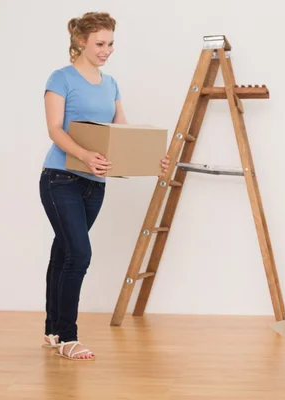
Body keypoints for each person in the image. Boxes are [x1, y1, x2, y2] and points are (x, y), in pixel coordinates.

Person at [39, 11, 170, 361]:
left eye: (111, 43)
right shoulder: (61, 78)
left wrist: (152, 160)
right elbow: (55, 129)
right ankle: (68, 336)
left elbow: (121, 135)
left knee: (64, 253)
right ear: (81, 42)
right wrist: (85, 156)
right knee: (79, 254)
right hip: (60, 179)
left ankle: (52, 331)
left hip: (94, 185)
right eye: (100, 43)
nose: (106, 50)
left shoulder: (110, 84)